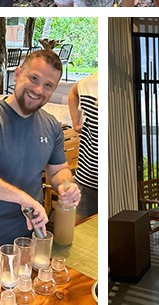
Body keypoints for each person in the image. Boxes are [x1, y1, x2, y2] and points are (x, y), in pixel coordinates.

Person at [0, 49, 81, 260]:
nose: (38, 89)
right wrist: (23, 198)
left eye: (48, 85)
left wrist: (66, 186)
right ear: (17, 75)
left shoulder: (51, 125)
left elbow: (58, 169)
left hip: (29, 236)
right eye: (34, 78)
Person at [68, 72, 98, 221]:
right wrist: (75, 123)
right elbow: (73, 92)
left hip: (93, 174)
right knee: (81, 228)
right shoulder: (89, 84)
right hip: (89, 175)